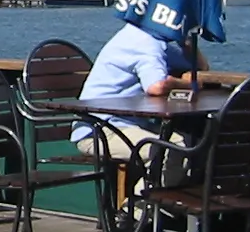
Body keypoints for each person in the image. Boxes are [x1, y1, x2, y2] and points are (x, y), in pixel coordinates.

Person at [70, 20, 209, 180]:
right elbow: (156, 87)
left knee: (191, 143)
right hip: (99, 131)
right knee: (172, 149)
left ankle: (152, 201)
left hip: (124, 125)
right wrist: (188, 84)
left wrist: (187, 43)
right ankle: (138, 205)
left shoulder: (148, 38)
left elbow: (201, 68)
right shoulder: (146, 43)